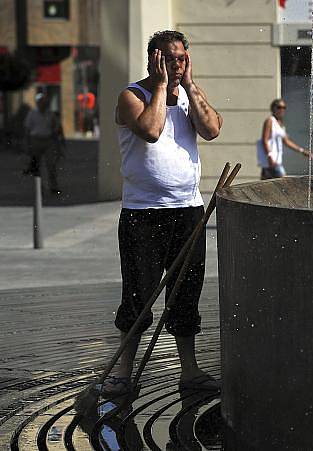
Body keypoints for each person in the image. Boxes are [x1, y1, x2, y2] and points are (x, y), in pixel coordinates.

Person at [102, 30, 223, 396]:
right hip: (143, 213)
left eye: (183, 57)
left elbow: (212, 129)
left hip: (189, 211)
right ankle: (123, 372)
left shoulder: (189, 95)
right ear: (155, 58)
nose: (178, 63)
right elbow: (151, 131)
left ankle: (190, 370)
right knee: (138, 294)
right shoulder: (132, 96)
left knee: (186, 292)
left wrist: (190, 85)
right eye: (171, 58)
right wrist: (159, 85)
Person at [257, 98, 312, 179]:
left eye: (284, 107)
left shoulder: (279, 123)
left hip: (275, 161)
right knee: (283, 184)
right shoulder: (270, 121)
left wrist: (302, 151)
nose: (282, 110)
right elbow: (265, 140)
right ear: (273, 108)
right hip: (271, 162)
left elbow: (286, 141)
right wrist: (269, 156)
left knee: (268, 187)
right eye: (279, 107)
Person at [23, 93, 64, 194]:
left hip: (48, 141)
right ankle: (39, 188)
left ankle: (54, 187)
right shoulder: (32, 113)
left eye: (45, 102)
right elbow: (27, 129)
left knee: (51, 165)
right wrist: (27, 144)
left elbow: (56, 129)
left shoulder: (50, 114)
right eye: (41, 102)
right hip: (35, 140)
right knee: (36, 166)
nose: (44, 104)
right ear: (38, 103)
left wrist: (58, 143)